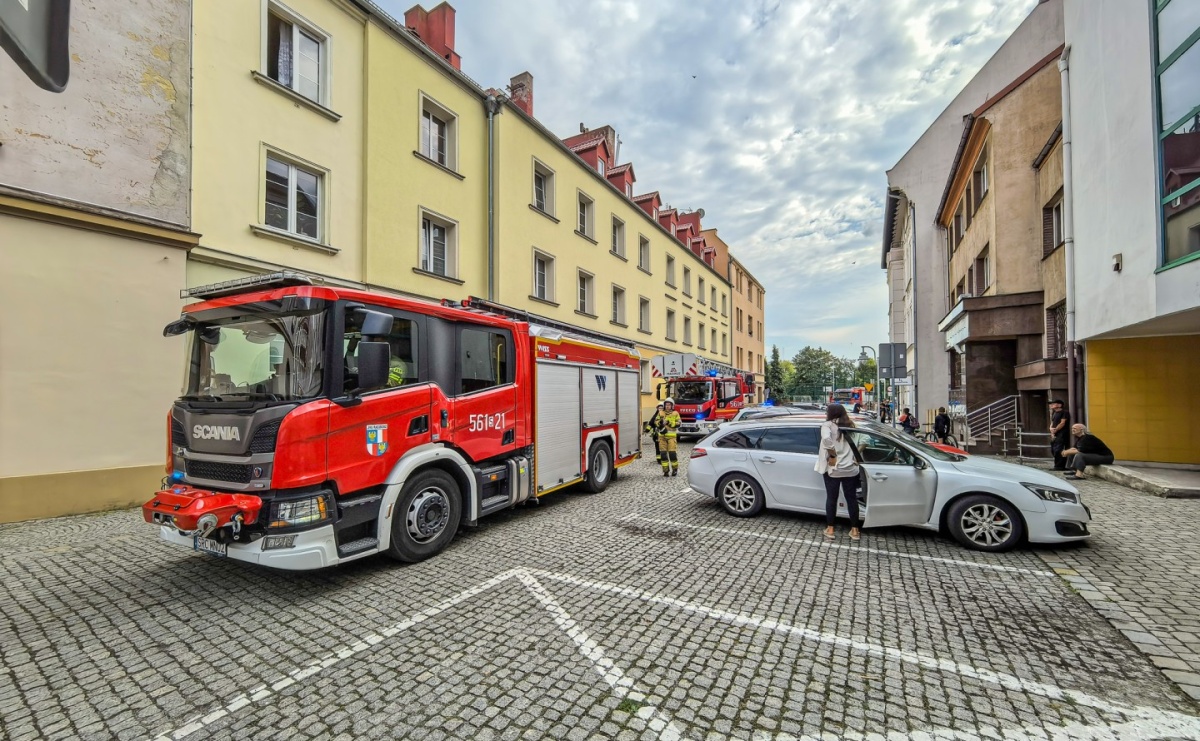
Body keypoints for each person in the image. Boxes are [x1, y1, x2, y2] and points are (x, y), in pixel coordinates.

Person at [815, 403, 861, 540]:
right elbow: (863, 441)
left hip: (834, 469)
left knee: (832, 498)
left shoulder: (828, 425)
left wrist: (833, 455)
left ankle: (830, 529)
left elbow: (826, 439)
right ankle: (855, 531)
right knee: (851, 499)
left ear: (831, 413)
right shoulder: (851, 425)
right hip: (850, 468)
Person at [655, 398, 681, 477]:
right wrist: (660, 423)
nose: (667, 406)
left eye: (669, 405)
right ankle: (665, 471)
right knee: (663, 454)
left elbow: (679, 423)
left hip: (671, 437)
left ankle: (675, 469)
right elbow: (656, 422)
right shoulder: (661, 412)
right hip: (662, 437)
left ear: (672, 406)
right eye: (666, 405)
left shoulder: (675, 413)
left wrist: (669, 422)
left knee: (672, 454)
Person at [1049, 399, 1072, 471]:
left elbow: (1062, 423)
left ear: (1059, 405)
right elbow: (1052, 422)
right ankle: (1057, 465)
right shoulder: (1054, 413)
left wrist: (1055, 430)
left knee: (1058, 449)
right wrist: (1051, 429)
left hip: (1062, 434)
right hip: (1055, 434)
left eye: (1054, 403)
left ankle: (1059, 466)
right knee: (1053, 449)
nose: (1051, 405)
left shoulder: (1064, 412)